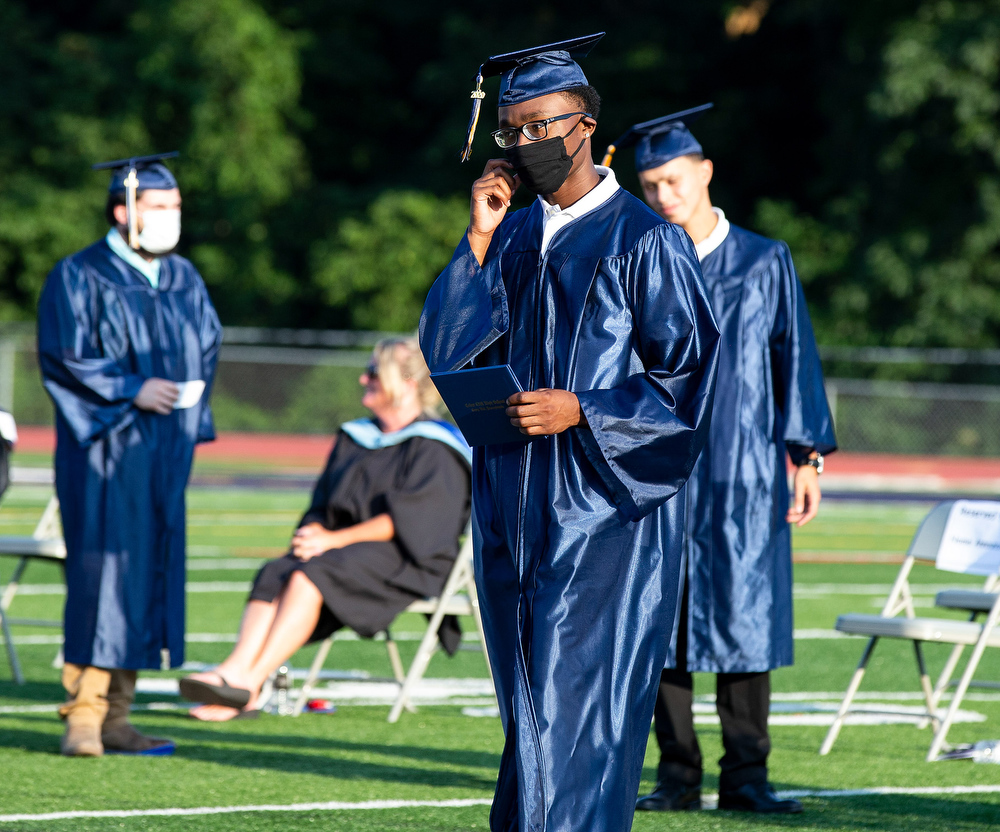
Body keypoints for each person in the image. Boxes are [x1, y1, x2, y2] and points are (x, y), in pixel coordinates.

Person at [419, 35, 720, 832]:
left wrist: (584, 406)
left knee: (575, 716)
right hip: (511, 509)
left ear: (584, 124)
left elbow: (687, 385)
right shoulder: (512, 235)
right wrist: (478, 238)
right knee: (531, 716)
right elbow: (449, 354)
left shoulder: (644, 240)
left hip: (602, 518)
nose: (525, 145)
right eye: (510, 132)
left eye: (541, 127)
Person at [607, 108, 837, 814]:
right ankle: (676, 775)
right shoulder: (643, 260)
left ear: (704, 172)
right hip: (662, 467)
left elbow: (791, 359)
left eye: (673, 180)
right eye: (650, 186)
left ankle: (746, 779)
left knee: (747, 617)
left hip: (744, 469)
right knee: (661, 620)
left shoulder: (765, 261)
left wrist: (807, 457)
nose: (663, 196)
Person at [179, 337, 472, 720]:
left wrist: (332, 539)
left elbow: (417, 522)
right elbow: (324, 504)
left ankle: (248, 683)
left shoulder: (437, 447)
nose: (362, 380)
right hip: (346, 553)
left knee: (309, 577)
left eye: (373, 373)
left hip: (410, 560)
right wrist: (311, 535)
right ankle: (236, 673)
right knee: (278, 570)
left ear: (406, 383)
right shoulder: (355, 437)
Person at [37, 154, 222, 757]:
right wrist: (130, 387)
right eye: (158, 207)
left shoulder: (184, 277)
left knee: (148, 573)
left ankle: (119, 714)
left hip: (164, 451)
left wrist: (188, 391)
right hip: (106, 452)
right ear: (124, 212)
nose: (171, 218)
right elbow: (65, 356)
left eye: (175, 207)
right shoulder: (78, 274)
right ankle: (84, 715)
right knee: (103, 574)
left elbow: (208, 343)